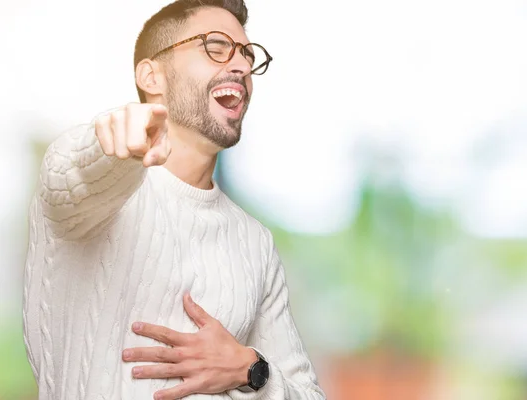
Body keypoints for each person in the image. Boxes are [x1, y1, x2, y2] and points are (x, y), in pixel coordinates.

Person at [22, 1, 326, 399]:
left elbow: (308, 393)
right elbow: (71, 175)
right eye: (216, 46)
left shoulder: (255, 242)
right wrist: (112, 144)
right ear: (152, 75)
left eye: (248, 54)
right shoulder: (91, 175)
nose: (241, 65)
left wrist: (251, 369)